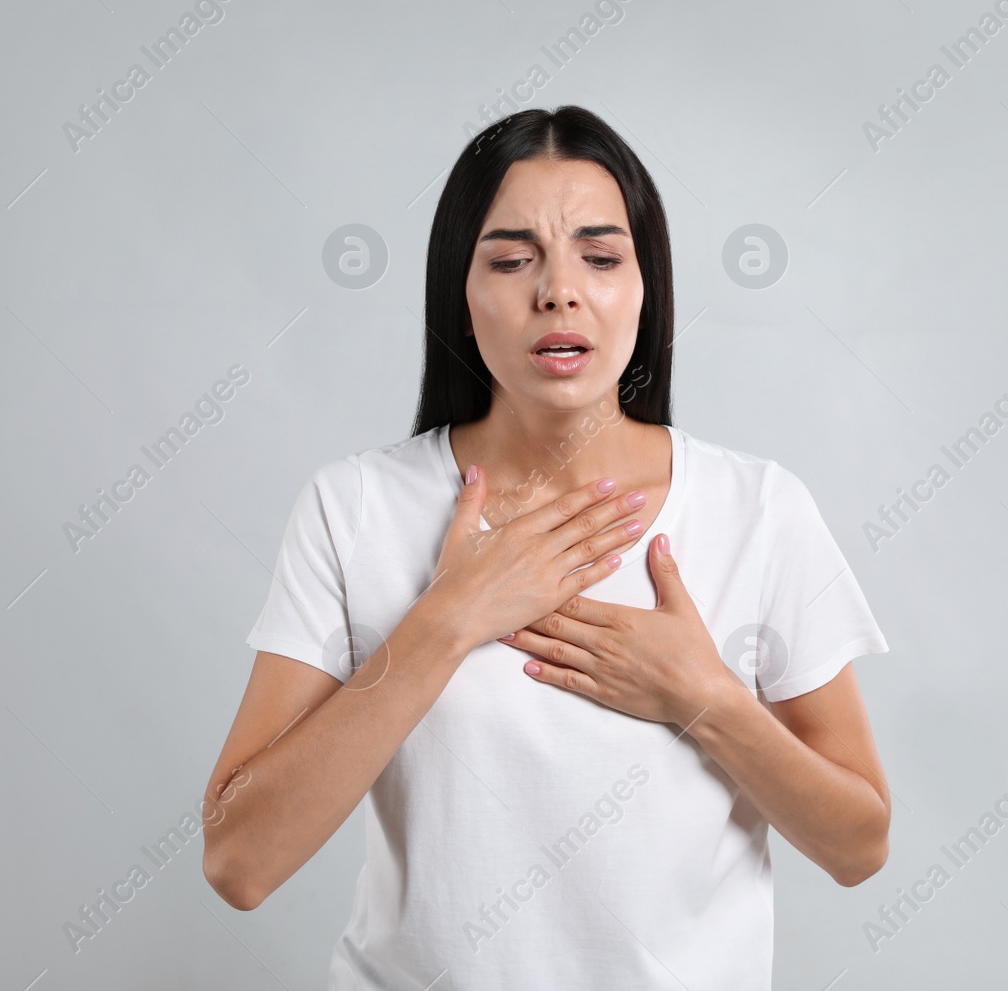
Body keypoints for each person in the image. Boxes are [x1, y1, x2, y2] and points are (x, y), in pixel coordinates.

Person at [202, 105, 892, 990]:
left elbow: (857, 845)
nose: (559, 291)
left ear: (646, 287)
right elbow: (240, 860)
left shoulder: (758, 509)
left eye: (600, 257)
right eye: (512, 259)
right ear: (462, 287)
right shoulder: (355, 507)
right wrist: (446, 620)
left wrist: (705, 696)